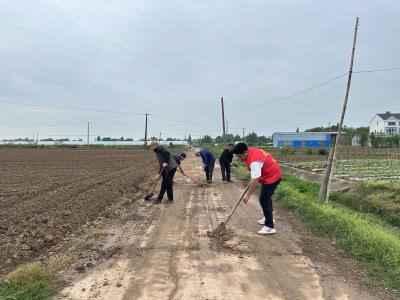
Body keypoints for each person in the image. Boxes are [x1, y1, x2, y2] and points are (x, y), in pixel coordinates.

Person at [233, 142, 281, 235]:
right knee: (266, 198)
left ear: (246, 152)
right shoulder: (251, 151)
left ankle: (270, 226)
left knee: (264, 199)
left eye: (240, 156)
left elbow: (255, 179)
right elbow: (255, 175)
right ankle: (269, 217)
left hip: (272, 177)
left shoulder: (254, 161)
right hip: (269, 175)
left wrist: (247, 195)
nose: (240, 158)